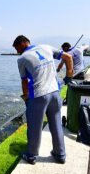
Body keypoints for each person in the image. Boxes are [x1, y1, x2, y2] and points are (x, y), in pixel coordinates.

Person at [13, 35, 74, 165]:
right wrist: (69, 75)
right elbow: (68, 57)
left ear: (22, 44)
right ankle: (60, 154)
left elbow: (24, 82)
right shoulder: (46, 47)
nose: (17, 52)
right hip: (55, 94)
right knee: (56, 124)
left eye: (17, 48)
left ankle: (31, 155)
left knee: (34, 127)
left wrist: (26, 97)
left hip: (39, 96)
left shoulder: (22, 58)